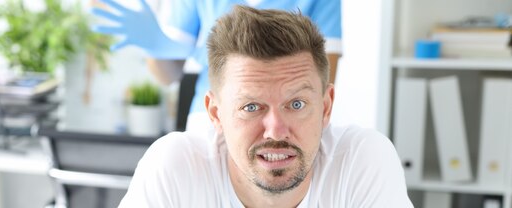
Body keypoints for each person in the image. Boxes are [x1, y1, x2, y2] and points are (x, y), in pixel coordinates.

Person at [118, 5, 413, 207]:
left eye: (296, 104)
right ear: (215, 114)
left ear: (326, 107)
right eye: (251, 107)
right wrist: (157, 47)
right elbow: (168, 68)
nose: (276, 130)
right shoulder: (173, 168)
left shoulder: (361, 162)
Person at [92, 0, 342, 131]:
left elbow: (320, 83)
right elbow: (168, 75)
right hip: (208, 124)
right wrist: (155, 47)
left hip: (284, 124)